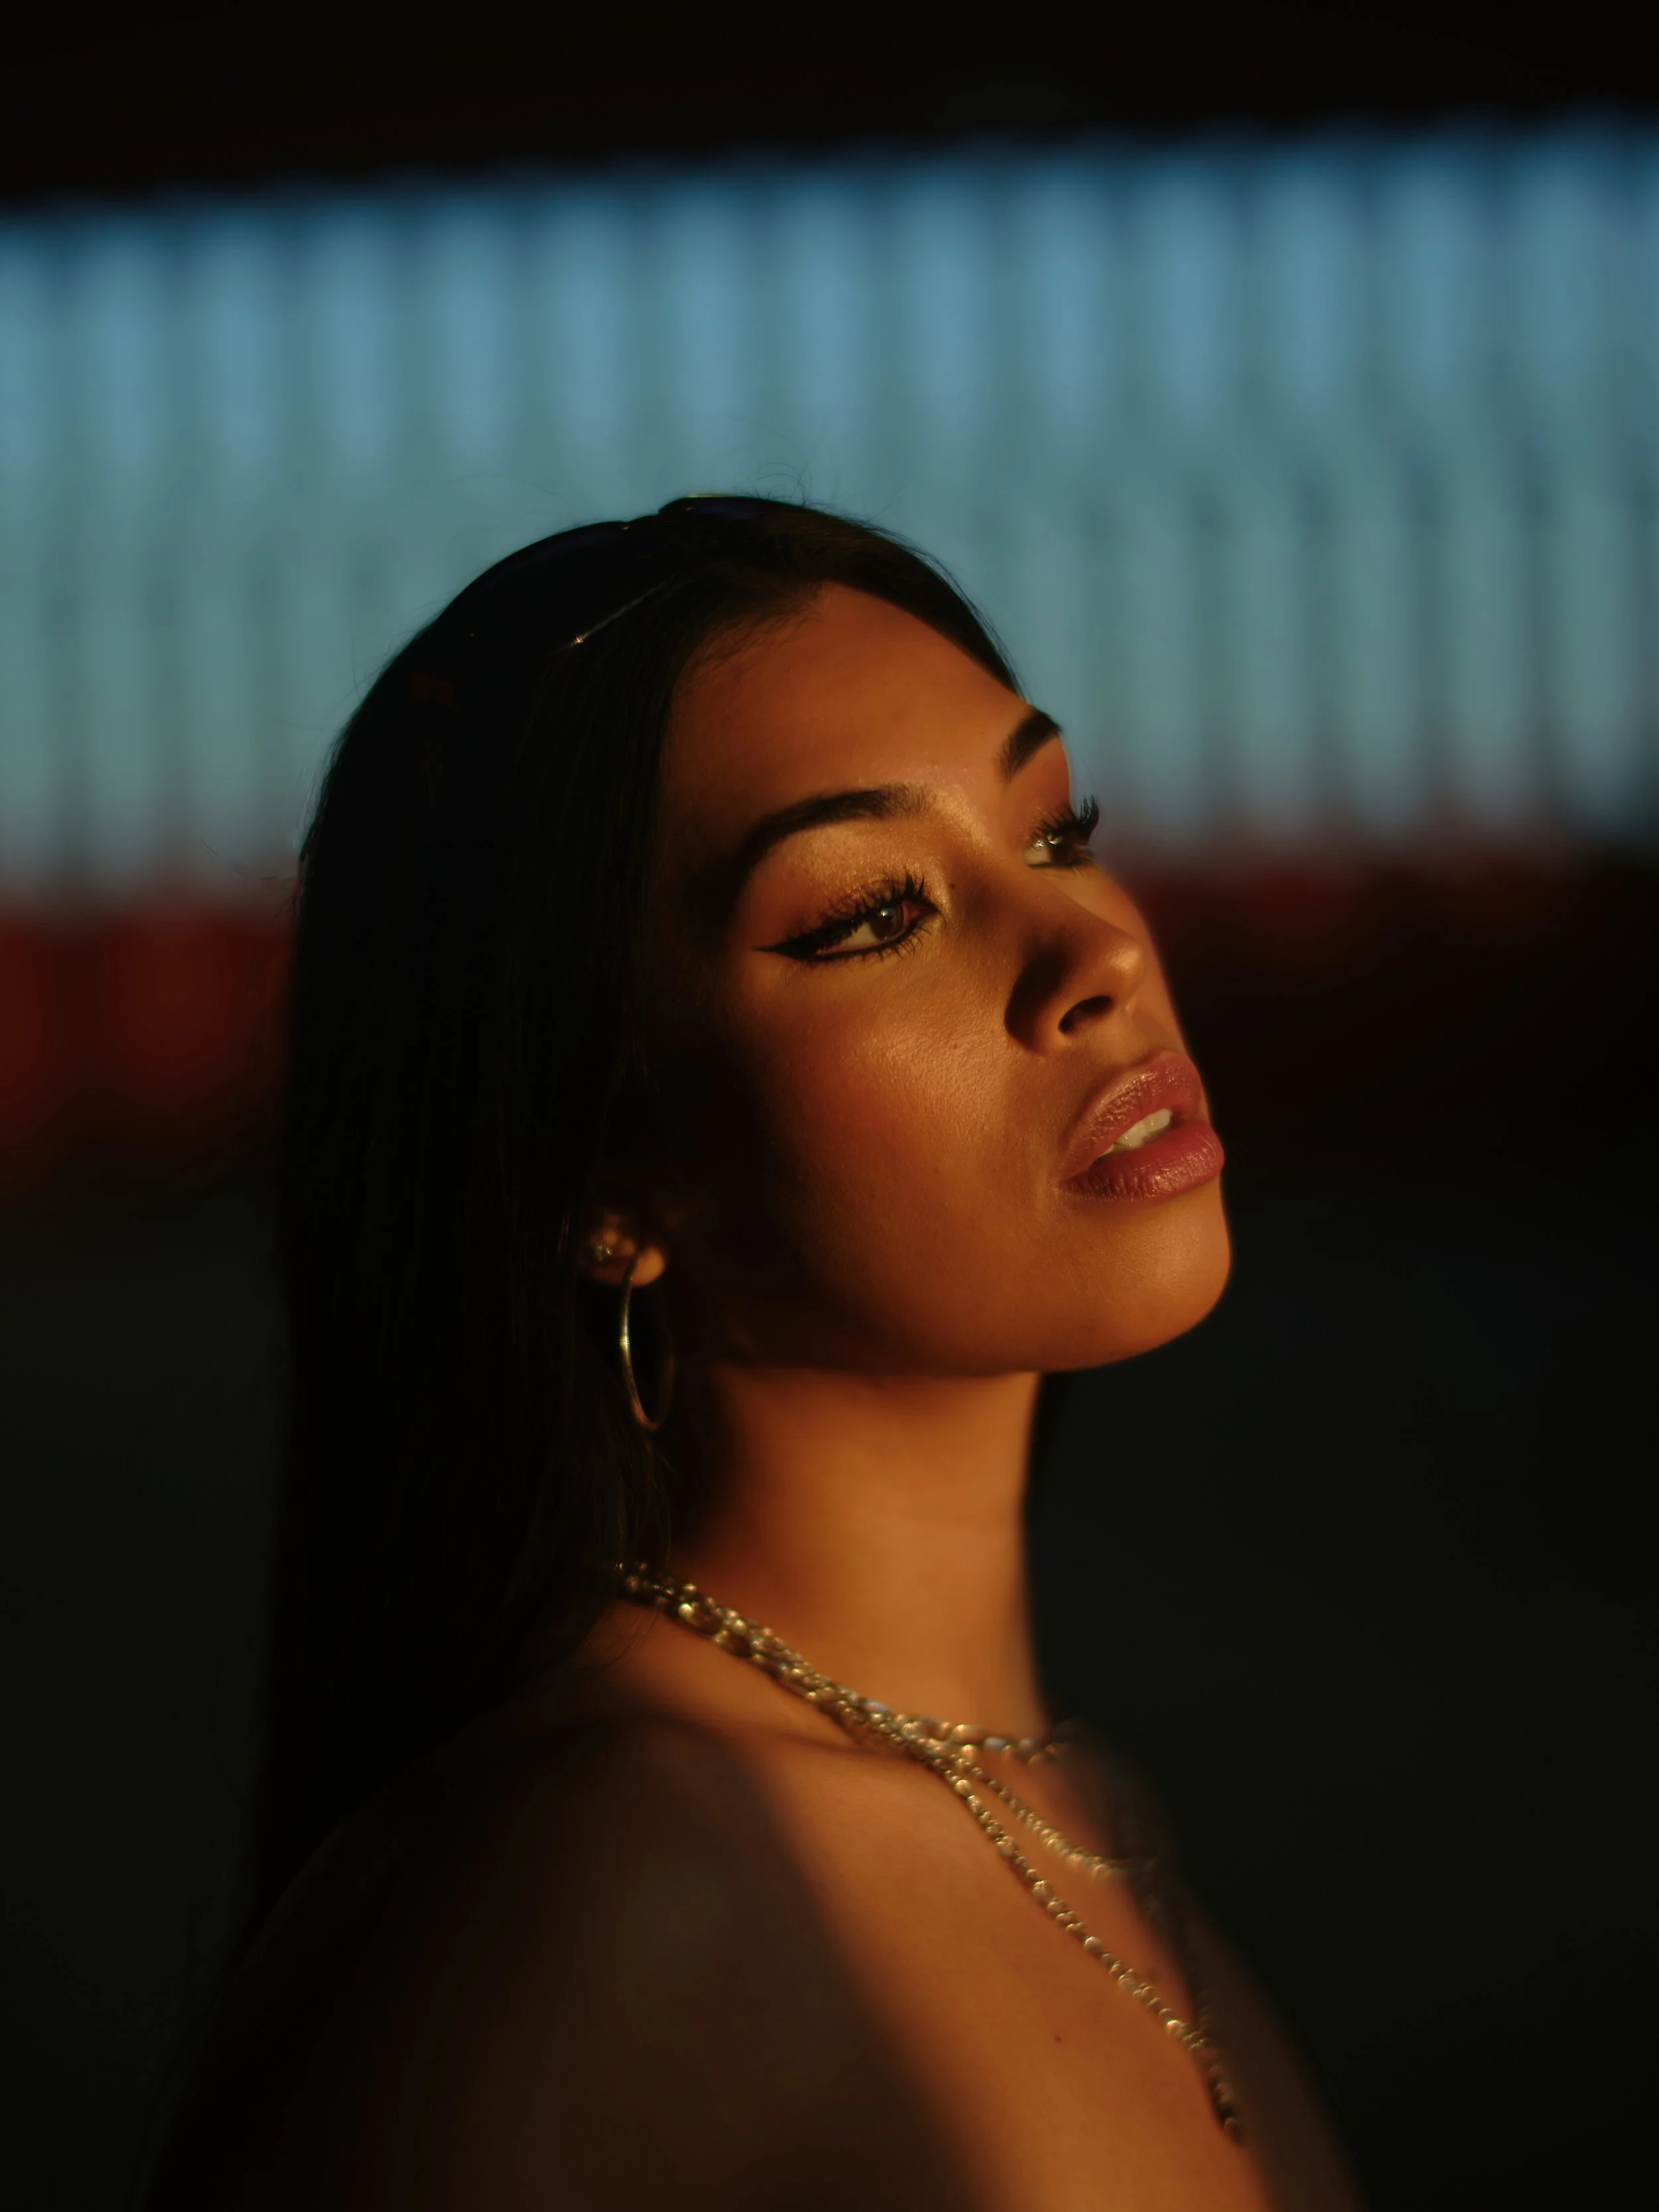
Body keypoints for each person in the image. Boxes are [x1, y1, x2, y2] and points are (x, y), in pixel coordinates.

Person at [140, 496, 1359, 2210]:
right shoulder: (609, 1892)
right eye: (871, 913)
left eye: (1057, 826)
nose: (1097, 950)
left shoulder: (1082, 1809)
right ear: (601, 1178)